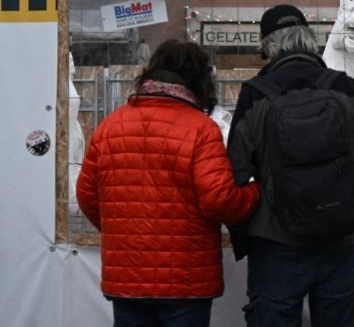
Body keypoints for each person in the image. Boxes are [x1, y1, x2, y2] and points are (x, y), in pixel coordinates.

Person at [76, 40, 260, 327]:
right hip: (184, 278)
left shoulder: (110, 126)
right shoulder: (201, 129)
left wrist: (125, 230)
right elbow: (220, 200)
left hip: (128, 275)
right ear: (199, 79)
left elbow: (86, 196)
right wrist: (256, 192)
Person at [227, 4, 354, 326]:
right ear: (309, 40)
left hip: (274, 245)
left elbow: (237, 173)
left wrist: (247, 236)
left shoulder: (255, 95)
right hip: (338, 241)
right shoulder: (347, 89)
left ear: (268, 46)